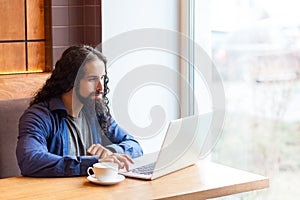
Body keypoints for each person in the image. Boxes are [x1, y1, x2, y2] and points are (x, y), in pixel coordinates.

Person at [16, 44, 143, 177]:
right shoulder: (38, 117)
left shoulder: (98, 112)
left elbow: (135, 146)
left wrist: (109, 151)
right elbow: (30, 160)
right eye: (92, 79)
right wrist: (94, 162)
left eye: (103, 78)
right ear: (71, 80)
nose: (101, 87)